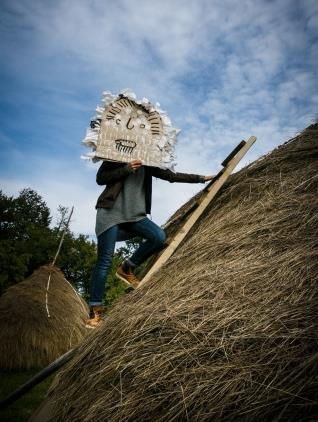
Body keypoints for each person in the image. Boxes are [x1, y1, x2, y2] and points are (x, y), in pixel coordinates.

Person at [85, 159, 214, 328]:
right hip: (110, 213)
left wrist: (201, 178)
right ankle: (95, 312)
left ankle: (126, 268)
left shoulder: (148, 161)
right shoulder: (115, 156)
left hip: (135, 217)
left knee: (158, 237)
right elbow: (100, 178)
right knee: (105, 261)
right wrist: (126, 169)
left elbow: (170, 176)